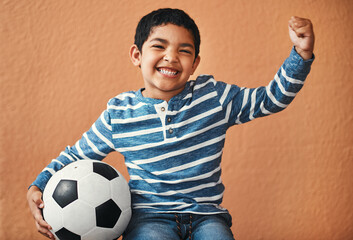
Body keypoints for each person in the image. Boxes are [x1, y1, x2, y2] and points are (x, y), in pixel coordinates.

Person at [27, 8, 315, 240]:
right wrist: (37, 186)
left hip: (207, 216)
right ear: (137, 56)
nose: (171, 56)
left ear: (195, 63)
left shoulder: (213, 97)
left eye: (184, 50)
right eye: (159, 46)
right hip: (149, 218)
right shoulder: (120, 113)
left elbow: (270, 99)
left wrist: (300, 55)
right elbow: (77, 155)